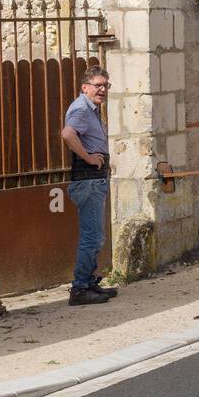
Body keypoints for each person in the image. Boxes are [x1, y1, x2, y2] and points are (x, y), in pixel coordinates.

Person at [61, 67, 116, 305]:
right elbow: (67, 134)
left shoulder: (90, 109)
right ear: (85, 87)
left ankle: (89, 282)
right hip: (88, 181)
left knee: (96, 236)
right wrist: (89, 157)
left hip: (94, 181)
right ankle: (80, 288)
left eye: (106, 85)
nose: (102, 89)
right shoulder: (82, 109)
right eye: (98, 85)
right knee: (92, 237)